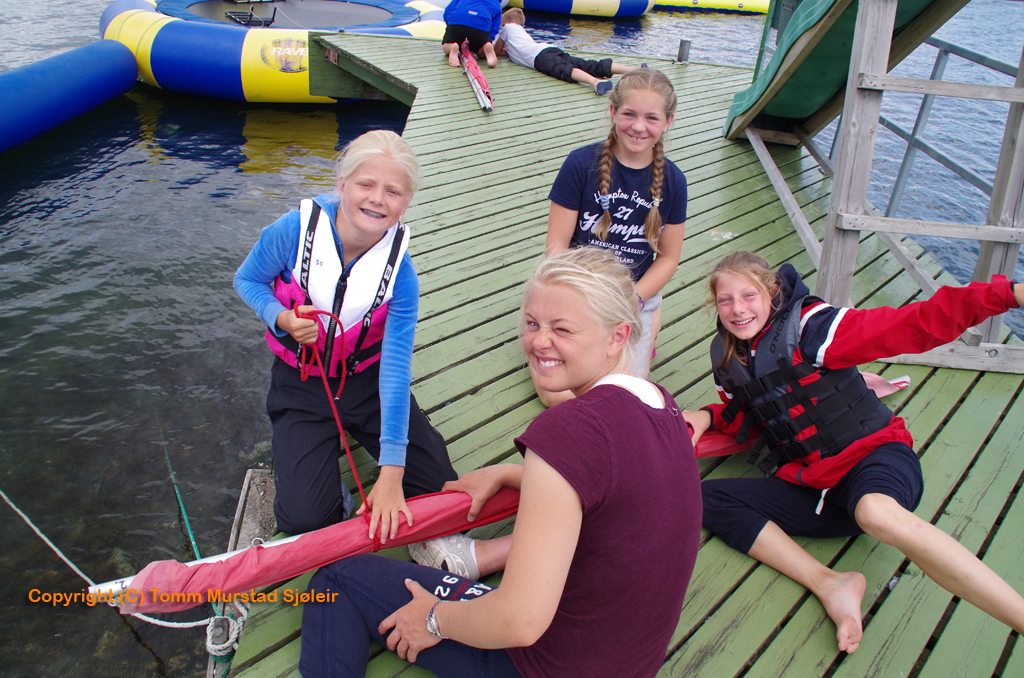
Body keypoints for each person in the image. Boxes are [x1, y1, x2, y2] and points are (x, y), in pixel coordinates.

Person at [300, 247, 703, 678]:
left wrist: (434, 618)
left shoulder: (572, 428)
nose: (539, 341)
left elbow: (519, 621)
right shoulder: (661, 404)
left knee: (336, 579)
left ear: (618, 336)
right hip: (628, 663)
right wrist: (514, 474)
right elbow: (618, 490)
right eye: (532, 323)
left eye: (562, 328)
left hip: (544, 664)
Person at [682, 250, 1024, 654]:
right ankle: (831, 583)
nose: (738, 309)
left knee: (875, 512)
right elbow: (753, 416)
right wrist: (707, 415)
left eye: (748, 295)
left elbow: (913, 323)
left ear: (772, 291)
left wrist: (1009, 294)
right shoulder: (729, 355)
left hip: (874, 461)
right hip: (818, 488)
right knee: (704, 499)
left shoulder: (812, 328)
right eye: (725, 300)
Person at [233, 130, 457, 541]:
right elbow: (247, 280)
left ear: (406, 201)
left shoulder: (401, 276)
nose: (377, 199)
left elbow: (395, 370)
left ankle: (367, 445)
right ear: (342, 185)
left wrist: (392, 471)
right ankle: (328, 482)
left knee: (438, 485)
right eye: (366, 184)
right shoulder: (292, 231)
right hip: (302, 382)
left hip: (366, 384)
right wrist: (281, 318)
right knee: (303, 521)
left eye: (392, 191)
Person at [534, 67, 687, 406]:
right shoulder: (580, 164)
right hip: (578, 290)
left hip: (634, 296)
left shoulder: (674, 182)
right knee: (555, 394)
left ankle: (649, 321)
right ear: (613, 111)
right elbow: (556, 247)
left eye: (651, 118)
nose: (638, 126)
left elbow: (668, 258)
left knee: (623, 397)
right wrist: (578, 299)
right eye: (629, 114)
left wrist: (633, 300)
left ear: (668, 122)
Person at [494, 8, 636, 94]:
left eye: (503, 24)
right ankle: (634, 69)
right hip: (548, 48)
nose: (502, 27)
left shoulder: (508, 28)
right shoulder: (522, 33)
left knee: (564, 69)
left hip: (538, 57)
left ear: (510, 22)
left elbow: (496, 50)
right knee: (585, 64)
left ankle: (595, 82)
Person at [442, 0, 502, 68]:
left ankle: (453, 46)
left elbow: (447, 12)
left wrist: (450, 24)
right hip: (480, 23)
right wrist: (488, 40)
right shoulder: (496, 4)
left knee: (447, 45)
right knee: (481, 50)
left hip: (457, 20)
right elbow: (494, 28)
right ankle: (486, 47)